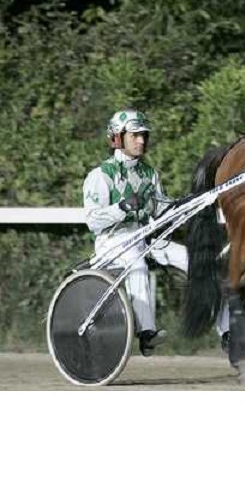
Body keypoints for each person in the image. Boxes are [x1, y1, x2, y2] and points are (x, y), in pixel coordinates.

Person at [83, 109, 188, 356]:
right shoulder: (100, 176)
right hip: (112, 242)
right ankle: (146, 333)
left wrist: (182, 208)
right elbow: (92, 221)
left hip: (145, 240)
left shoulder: (150, 174)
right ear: (117, 138)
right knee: (137, 265)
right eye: (135, 135)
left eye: (144, 135)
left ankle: (228, 330)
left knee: (191, 258)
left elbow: (162, 211)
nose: (141, 140)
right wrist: (122, 207)